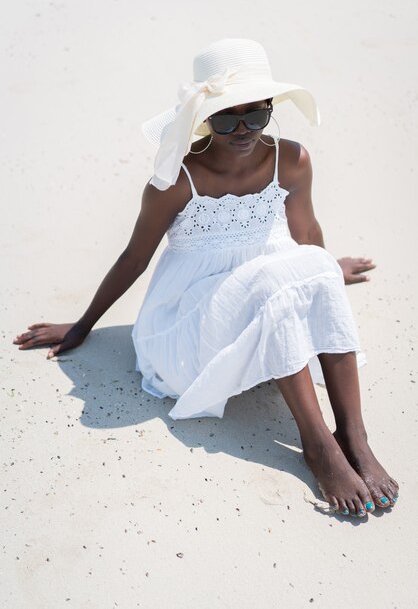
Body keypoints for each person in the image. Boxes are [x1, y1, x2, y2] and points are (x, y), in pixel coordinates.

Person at [14, 39, 398, 517]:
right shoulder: (177, 178)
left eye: (255, 117)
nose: (242, 130)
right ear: (203, 119)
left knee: (312, 266)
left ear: (270, 110)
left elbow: (307, 234)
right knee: (275, 283)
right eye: (225, 118)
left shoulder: (292, 159)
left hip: (266, 290)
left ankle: (353, 437)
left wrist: (327, 270)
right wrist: (82, 325)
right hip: (191, 326)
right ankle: (317, 444)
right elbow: (135, 257)